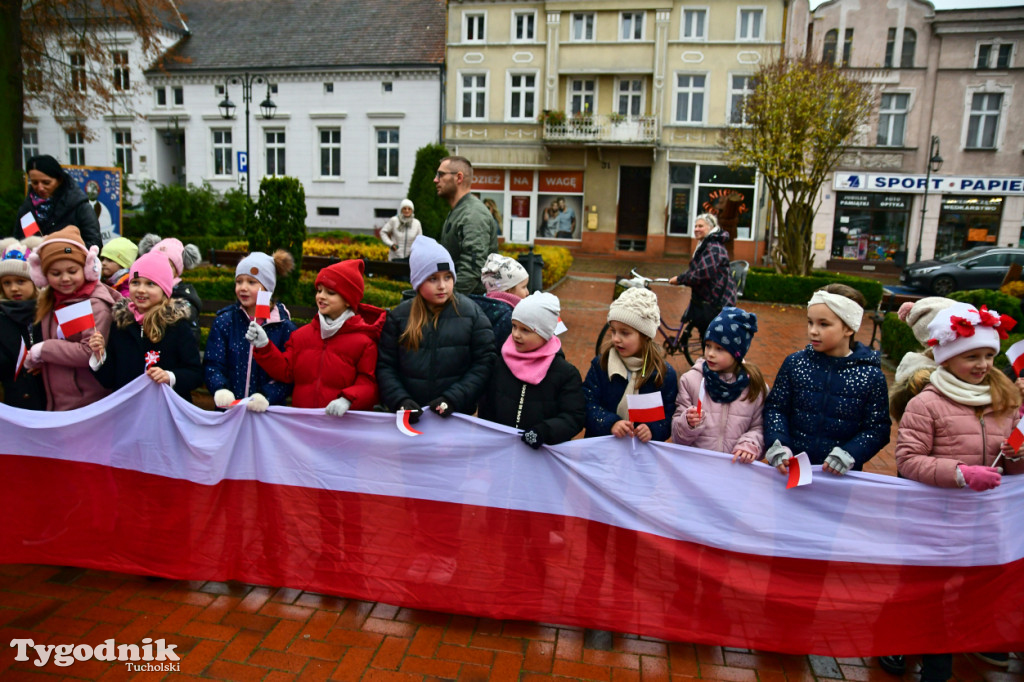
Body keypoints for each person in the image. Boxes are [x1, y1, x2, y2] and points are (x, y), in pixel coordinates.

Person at [886, 301, 1021, 682]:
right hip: (930, 519)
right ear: (946, 358)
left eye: (988, 355)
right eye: (971, 356)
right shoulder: (926, 403)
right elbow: (909, 460)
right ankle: (906, 645)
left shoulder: (1006, 402)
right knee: (918, 588)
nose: (981, 364)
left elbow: (1010, 468)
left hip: (980, 520)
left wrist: (1018, 457)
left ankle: (943, 650)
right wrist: (961, 474)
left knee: (963, 590)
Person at [762, 283, 891, 475]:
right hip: (790, 472)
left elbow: (877, 428)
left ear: (848, 328)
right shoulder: (795, 364)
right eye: (810, 322)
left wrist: (850, 453)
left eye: (823, 324)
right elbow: (776, 409)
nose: (813, 330)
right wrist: (779, 444)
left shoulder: (871, 376)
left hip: (838, 479)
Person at [376, 236, 495, 421]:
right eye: (433, 278)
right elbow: (386, 366)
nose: (442, 286)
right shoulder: (399, 317)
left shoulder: (472, 314)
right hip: (410, 420)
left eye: (448, 277)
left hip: (455, 417)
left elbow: (484, 363)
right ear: (417, 281)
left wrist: (453, 398)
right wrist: (400, 400)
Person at [246, 259, 385, 415]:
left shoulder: (365, 342)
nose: (321, 296)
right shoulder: (300, 336)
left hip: (342, 427)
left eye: (330, 292)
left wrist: (348, 399)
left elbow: (369, 383)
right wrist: (265, 347)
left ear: (348, 300)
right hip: (303, 426)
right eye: (319, 290)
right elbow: (285, 372)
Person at [24, 226, 119, 410]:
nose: (65, 278)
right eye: (56, 273)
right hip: (61, 403)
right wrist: (45, 362)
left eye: (72, 271)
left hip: (87, 405)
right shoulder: (51, 300)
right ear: (42, 275)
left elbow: (88, 352)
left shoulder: (94, 304)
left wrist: (44, 350)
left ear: (87, 268)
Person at [87, 251, 202, 403]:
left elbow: (195, 374)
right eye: (135, 282)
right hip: (128, 411)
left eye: (150, 284)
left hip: (164, 411)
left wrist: (170, 376)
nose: (141, 289)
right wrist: (99, 355)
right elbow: (109, 380)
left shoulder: (177, 326)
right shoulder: (121, 324)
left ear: (164, 290)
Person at [478, 292, 585, 448]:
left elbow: (575, 417)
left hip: (542, 457)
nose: (516, 334)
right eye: (514, 326)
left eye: (525, 330)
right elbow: (487, 405)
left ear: (544, 333)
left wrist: (544, 431)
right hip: (502, 452)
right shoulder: (501, 363)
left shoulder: (565, 373)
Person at [204, 250, 297, 411]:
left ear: (267, 287)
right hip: (229, 411)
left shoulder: (284, 327)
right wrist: (220, 388)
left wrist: (267, 395)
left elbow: (289, 373)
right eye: (239, 281)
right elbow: (213, 363)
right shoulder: (225, 322)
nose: (243, 287)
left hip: (267, 414)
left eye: (251, 282)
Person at [583, 287, 677, 442]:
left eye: (624, 333)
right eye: (613, 331)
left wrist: (653, 430)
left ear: (645, 335)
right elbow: (587, 403)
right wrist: (610, 423)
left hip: (640, 457)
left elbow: (669, 414)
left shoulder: (662, 373)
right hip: (602, 454)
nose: (616, 339)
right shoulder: (602, 365)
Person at [672, 306, 766, 460]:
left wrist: (749, 444)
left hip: (734, 472)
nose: (710, 353)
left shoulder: (754, 386)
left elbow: (759, 427)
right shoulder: (691, 381)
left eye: (719, 348)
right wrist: (687, 424)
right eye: (708, 345)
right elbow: (677, 437)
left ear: (737, 352)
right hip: (696, 470)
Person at [435, 156, 499, 295]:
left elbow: (472, 268)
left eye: (441, 174)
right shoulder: (460, 210)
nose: (435, 180)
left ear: (459, 178)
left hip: (471, 302)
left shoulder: (473, 214)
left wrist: (448, 300)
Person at [668, 213, 736, 341]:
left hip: (716, 300)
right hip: (708, 297)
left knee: (711, 337)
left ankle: (708, 359)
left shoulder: (713, 246)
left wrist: (680, 279)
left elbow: (702, 273)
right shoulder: (707, 244)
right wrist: (683, 276)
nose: (696, 229)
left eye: (701, 226)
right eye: (695, 226)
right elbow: (697, 269)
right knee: (705, 333)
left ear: (711, 228)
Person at [15, 155, 102, 250]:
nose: (40, 188)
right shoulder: (26, 210)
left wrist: (59, 247)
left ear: (59, 180)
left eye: (46, 182)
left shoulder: (80, 206)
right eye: (35, 183)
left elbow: (95, 244)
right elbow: (17, 243)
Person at [0, 237, 46, 410]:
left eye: (21, 281)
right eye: (7, 283)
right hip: (14, 402)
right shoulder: (2, 317)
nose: (13, 288)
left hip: (49, 400)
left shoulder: (47, 312)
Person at [137, 234, 203, 343]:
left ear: (177, 271)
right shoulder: (144, 290)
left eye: (167, 265)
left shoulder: (183, 299)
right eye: (155, 262)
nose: (160, 267)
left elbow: (190, 337)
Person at [475, 253, 531, 350]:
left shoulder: (479, 305)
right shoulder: (510, 317)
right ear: (508, 290)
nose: (527, 292)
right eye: (524, 287)